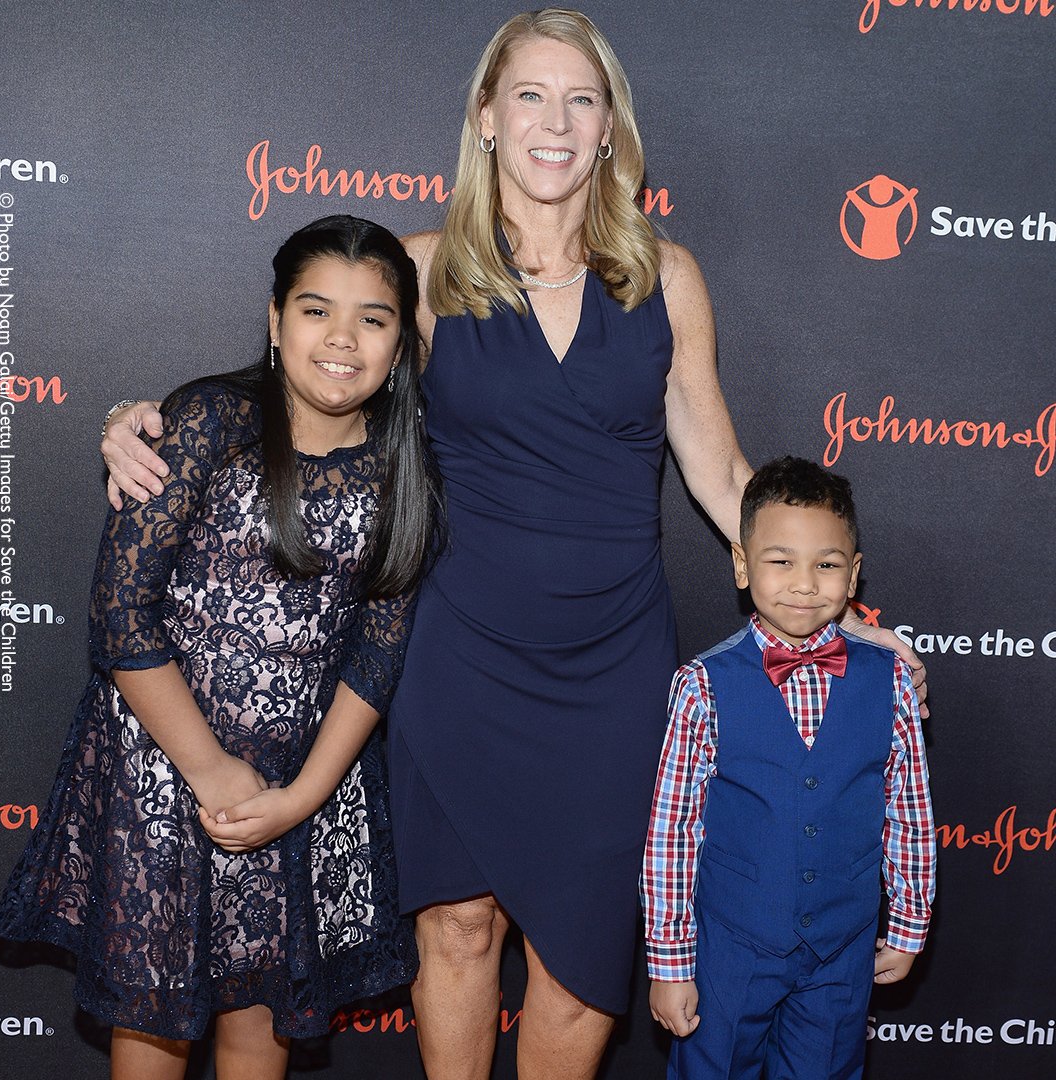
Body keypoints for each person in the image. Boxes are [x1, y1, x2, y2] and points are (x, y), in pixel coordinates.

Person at [99, 11, 926, 1079]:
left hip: (613, 664)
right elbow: (308, 382)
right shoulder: (424, 271)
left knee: (584, 967)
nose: (554, 121)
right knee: (456, 930)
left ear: (609, 128)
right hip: (459, 652)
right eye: (530, 95)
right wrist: (138, 416)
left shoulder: (665, 278)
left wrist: (847, 613)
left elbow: (724, 478)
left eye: (581, 99)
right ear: (487, 118)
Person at [0, 215, 443, 1080]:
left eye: (374, 318)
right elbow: (122, 613)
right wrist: (209, 770)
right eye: (316, 310)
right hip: (167, 776)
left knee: (257, 1023)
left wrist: (299, 798)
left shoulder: (405, 472)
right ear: (275, 320)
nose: (342, 339)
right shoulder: (211, 422)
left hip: (302, 790)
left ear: (401, 342)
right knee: (156, 1026)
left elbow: (378, 655)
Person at [642, 456, 935, 1080]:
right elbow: (672, 832)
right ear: (742, 566)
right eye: (780, 561)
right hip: (730, 952)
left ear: (853, 575)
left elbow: (908, 813)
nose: (805, 583)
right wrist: (670, 963)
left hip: (842, 949)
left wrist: (909, 925)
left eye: (826, 564)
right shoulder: (702, 686)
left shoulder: (893, 686)